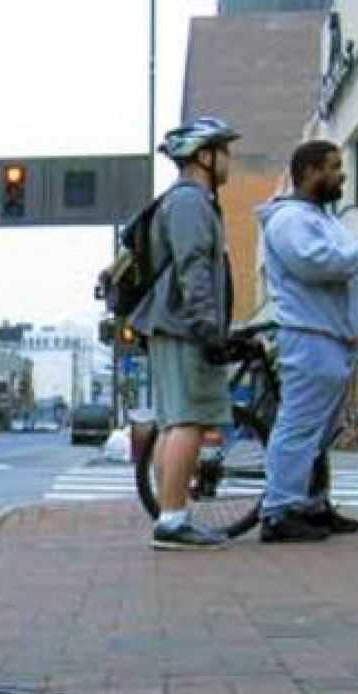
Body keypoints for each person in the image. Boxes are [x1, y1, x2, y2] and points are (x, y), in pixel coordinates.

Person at [256, 140, 358, 543]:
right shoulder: (291, 220)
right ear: (309, 172)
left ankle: (312, 505)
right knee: (300, 427)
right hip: (311, 337)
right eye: (335, 166)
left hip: (331, 338)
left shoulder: (320, 219)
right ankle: (278, 512)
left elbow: (350, 272)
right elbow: (319, 264)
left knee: (319, 431)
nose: (342, 174)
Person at [132, 117, 242, 551]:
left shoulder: (184, 202)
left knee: (174, 421)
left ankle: (171, 512)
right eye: (224, 151)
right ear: (204, 156)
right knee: (188, 421)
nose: (230, 160)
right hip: (184, 326)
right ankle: (174, 520)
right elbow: (193, 266)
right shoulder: (190, 203)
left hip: (170, 324)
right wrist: (207, 328)